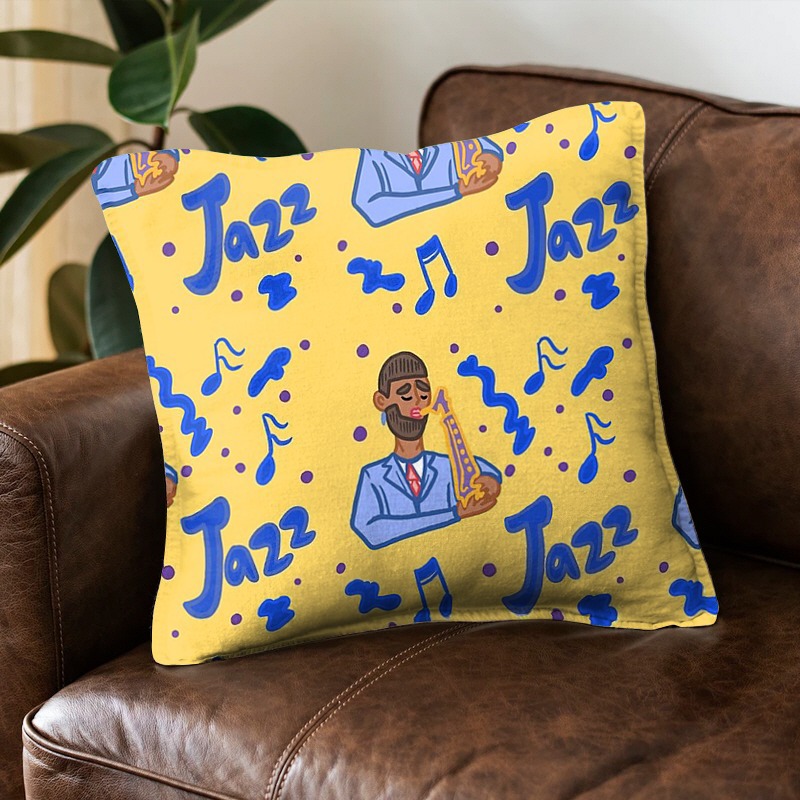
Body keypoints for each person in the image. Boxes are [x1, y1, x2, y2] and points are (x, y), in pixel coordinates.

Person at [350, 351, 501, 549]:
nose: (417, 402)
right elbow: (371, 531)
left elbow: (485, 472)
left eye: (423, 395)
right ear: (381, 401)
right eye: (405, 396)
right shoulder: (373, 476)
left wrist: (491, 481)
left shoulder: (447, 466)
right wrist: (454, 513)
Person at [351, 137, 503, 227]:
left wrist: (490, 156)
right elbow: (373, 209)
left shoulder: (451, 154)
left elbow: (488, 151)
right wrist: (456, 191)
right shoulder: (371, 161)